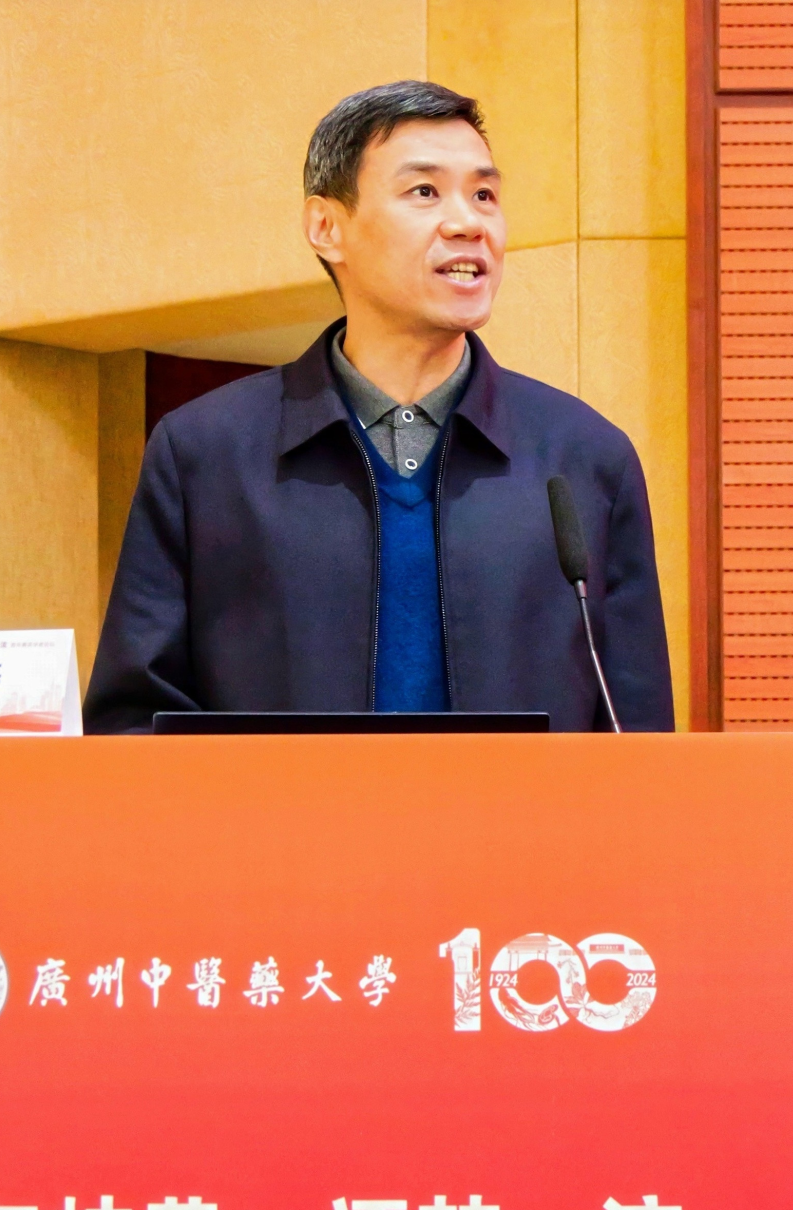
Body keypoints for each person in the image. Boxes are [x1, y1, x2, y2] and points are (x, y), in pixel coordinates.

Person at [84, 79, 673, 732]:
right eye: (424, 192)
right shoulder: (205, 453)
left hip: (520, 809)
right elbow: (135, 722)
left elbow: (637, 733)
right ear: (327, 227)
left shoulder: (584, 457)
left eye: (484, 195)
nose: (468, 223)